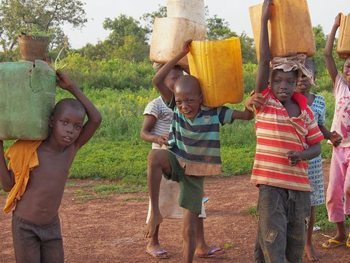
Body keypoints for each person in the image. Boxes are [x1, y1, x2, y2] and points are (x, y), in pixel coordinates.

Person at [145, 40, 254, 262]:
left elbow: (246, 116)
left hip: (195, 173)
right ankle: (155, 211)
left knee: (189, 227)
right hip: (176, 160)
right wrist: (179, 56)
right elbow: (157, 80)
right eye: (180, 101)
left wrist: (250, 105)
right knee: (155, 156)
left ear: (201, 98)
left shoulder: (214, 112)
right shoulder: (174, 107)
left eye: (190, 101)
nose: (184, 106)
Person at [248, 1, 324, 262]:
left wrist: (302, 155)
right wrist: (265, 22)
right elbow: (264, 61)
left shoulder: (306, 112)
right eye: (277, 81)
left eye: (289, 81)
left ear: (297, 83)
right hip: (271, 186)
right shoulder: (266, 104)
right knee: (272, 239)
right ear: (269, 83)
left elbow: (317, 146)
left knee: (293, 243)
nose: (283, 86)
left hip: (300, 189)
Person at [0, 71, 102, 263]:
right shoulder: (30, 150)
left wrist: (71, 87)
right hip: (25, 228)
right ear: (51, 122)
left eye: (77, 126)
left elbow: (96, 119)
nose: (71, 130)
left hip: (51, 226)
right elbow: (7, 185)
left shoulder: (71, 149)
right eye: (65, 123)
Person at [141, 63, 223, 259]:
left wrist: (188, 56)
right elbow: (144, 132)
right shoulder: (165, 102)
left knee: (192, 219)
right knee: (159, 201)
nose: (184, 104)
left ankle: (199, 245)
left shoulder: (200, 106)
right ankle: (153, 238)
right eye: (174, 79)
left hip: (193, 163)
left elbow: (197, 82)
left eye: (180, 77)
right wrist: (156, 139)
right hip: (170, 154)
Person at [296, 58, 342, 261]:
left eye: (306, 75)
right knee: (293, 202)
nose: (301, 80)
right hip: (293, 158)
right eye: (297, 75)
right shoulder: (286, 100)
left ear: (313, 77)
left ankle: (307, 243)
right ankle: (294, 242)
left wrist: (330, 134)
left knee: (312, 203)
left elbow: (319, 127)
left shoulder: (320, 101)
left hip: (313, 160)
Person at [322, 13, 350, 249]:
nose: (349, 67)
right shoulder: (340, 86)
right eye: (347, 65)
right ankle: (340, 233)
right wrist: (334, 27)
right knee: (333, 192)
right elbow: (327, 55)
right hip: (339, 147)